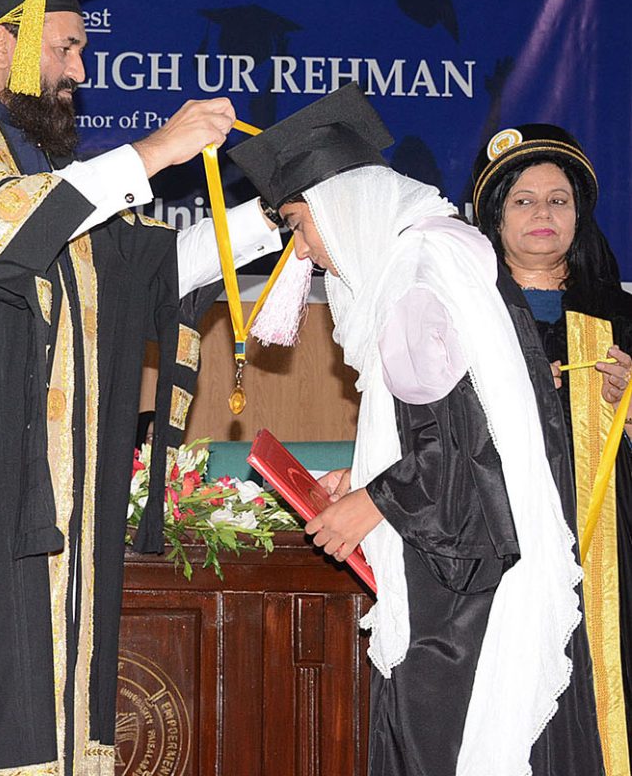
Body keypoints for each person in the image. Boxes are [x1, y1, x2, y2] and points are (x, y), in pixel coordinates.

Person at [0, 0, 281, 776]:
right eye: (67, 48)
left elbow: (146, 267)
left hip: (23, 488)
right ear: (3, 43)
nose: (79, 73)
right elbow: (1, 227)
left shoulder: (39, 175)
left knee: (32, 705)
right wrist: (156, 151)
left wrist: (277, 213)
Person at [229, 83, 605, 776]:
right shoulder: (440, 257)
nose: (303, 249)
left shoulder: (417, 280)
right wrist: (367, 476)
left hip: (465, 596)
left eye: (300, 224)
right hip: (479, 562)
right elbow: (447, 423)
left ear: (341, 208)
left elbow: (462, 441)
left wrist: (369, 503)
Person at [473, 124, 632, 772]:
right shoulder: (464, 311)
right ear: (494, 216)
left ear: (579, 215)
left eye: (558, 200)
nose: (542, 213)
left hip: (603, 551)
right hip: (494, 535)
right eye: (523, 200)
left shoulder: (617, 317)